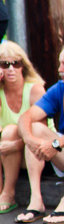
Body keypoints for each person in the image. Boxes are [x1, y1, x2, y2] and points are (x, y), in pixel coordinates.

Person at [16, 40, 64, 224]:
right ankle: (36, 201)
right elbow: (26, 117)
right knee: (35, 128)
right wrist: (29, 140)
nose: (59, 68)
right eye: (60, 63)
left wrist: (55, 144)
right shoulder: (59, 88)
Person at [0, 41, 45, 213]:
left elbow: (37, 131)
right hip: (8, 153)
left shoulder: (35, 89)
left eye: (16, 64)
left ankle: (8, 192)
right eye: (5, 64)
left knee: (11, 131)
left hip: (37, 152)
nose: (11, 69)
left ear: (23, 66)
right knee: (8, 131)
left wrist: (15, 145)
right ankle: (5, 192)